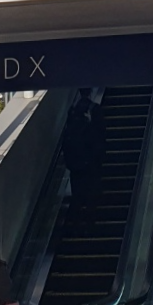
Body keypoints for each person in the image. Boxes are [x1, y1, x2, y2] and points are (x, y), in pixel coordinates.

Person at [62, 90, 104, 227]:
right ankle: (90, 222)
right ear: (91, 92)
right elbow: (101, 136)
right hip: (91, 161)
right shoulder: (95, 109)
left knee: (77, 193)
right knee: (92, 192)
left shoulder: (72, 111)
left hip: (75, 162)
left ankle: (75, 223)